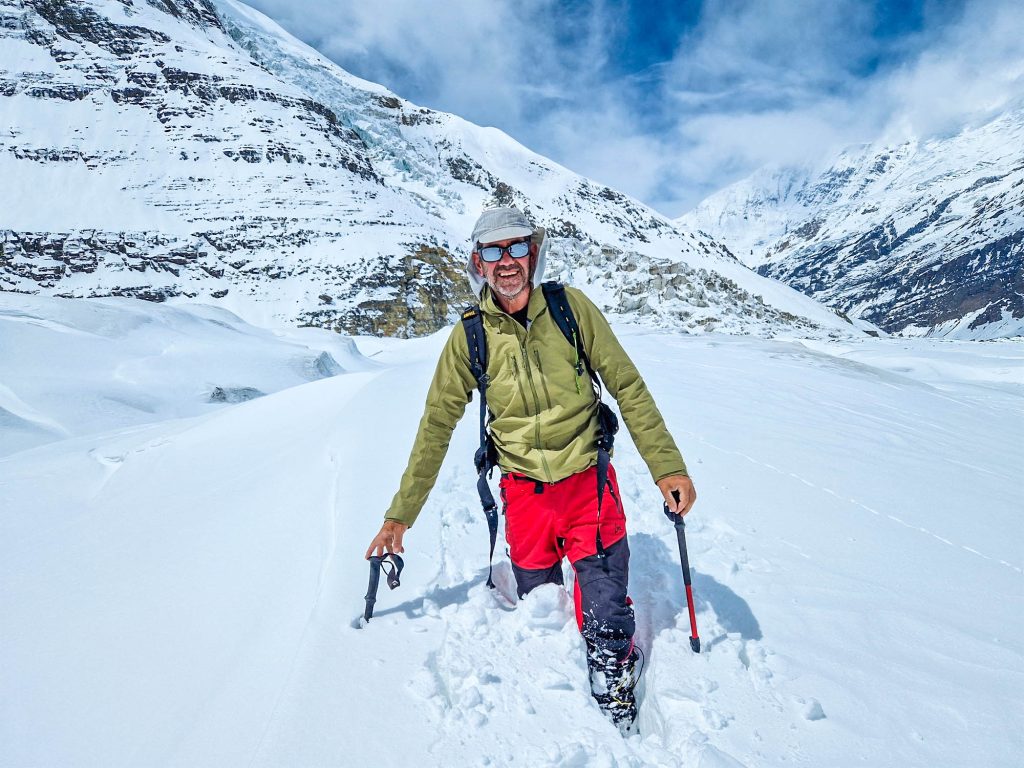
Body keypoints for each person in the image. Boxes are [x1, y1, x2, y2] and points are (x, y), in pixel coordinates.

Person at [365, 206, 696, 729]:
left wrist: (668, 469)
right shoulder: (470, 337)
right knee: (540, 607)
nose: (506, 262)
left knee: (605, 616)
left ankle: (615, 695)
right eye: (493, 252)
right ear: (478, 262)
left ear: (533, 254)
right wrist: (399, 516)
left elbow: (627, 386)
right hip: (524, 495)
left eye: (516, 248)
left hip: (589, 481)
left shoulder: (571, 310)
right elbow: (435, 426)